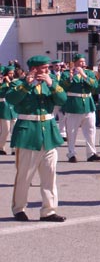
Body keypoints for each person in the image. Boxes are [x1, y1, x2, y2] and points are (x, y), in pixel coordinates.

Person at [6, 55, 67, 222]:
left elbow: (63, 99)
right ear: (34, 68)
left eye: (48, 68)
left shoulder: (50, 83)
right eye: (44, 68)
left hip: (48, 133)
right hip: (28, 134)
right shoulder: (19, 83)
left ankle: (49, 211)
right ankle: (19, 208)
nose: (48, 70)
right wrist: (27, 84)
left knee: (49, 176)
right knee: (24, 176)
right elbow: (11, 99)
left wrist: (51, 83)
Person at [59, 54, 100, 163]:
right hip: (74, 105)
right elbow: (63, 86)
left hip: (88, 104)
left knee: (91, 130)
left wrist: (84, 75)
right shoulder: (66, 74)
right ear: (74, 63)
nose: (83, 64)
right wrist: (71, 76)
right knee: (72, 131)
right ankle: (71, 154)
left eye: (83, 61)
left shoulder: (89, 73)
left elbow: (95, 85)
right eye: (80, 62)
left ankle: (91, 153)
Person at [0, 66, 17, 155]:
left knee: (14, 130)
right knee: (5, 130)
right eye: (9, 73)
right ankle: (1, 147)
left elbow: (16, 90)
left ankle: (14, 148)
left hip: (13, 108)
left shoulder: (13, 82)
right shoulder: (2, 84)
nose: (11, 75)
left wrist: (9, 82)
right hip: (4, 109)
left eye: (12, 73)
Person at [50, 60, 67, 141]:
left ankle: (62, 133)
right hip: (53, 98)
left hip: (62, 97)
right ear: (53, 66)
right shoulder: (50, 74)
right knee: (52, 116)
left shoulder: (63, 74)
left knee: (63, 117)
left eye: (59, 65)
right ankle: (52, 133)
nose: (58, 67)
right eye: (56, 65)